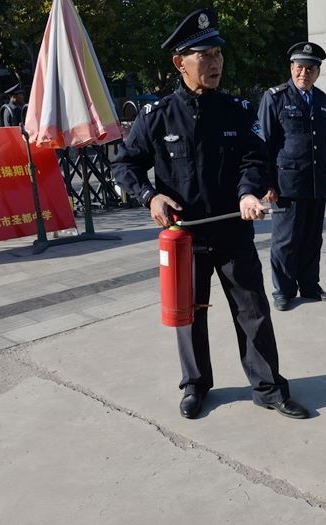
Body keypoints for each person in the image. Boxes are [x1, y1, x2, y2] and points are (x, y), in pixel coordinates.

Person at [111, 8, 309, 420]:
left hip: (233, 230)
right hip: (184, 235)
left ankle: (268, 387)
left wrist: (247, 192)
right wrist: (150, 197)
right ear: (179, 63)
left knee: (253, 310)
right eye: (204, 56)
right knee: (189, 314)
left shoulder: (236, 110)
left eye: (218, 53)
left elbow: (255, 158)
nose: (215, 62)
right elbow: (124, 164)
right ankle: (195, 384)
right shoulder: (157, 116)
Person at [258, 42, 326, 312]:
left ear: (317, 72)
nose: (304, 73)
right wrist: (267, 183)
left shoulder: (322, 100)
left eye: (310, 69)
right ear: (291, 68)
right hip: (287, 185)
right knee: (286, 240)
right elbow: (264, 144)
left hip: (317, 183)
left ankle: (310, 286)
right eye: (300, 67)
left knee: (312, 239)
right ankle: (283, 290)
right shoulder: (275, 97)